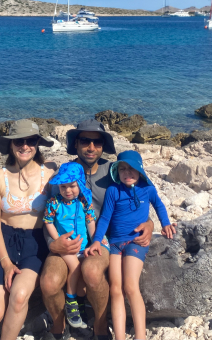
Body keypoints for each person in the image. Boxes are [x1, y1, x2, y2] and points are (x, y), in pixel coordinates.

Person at [39, 119, 156, 340]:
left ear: (103, 146)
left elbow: (136, 199)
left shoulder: (113, 172)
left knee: (92, 272)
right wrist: (52, 244)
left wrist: (149, 223)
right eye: (85, 141)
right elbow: (47, 217)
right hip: (64, 242)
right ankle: (60, 325)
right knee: (49, 281)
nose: (91, 147)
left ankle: (100, 327)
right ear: (76, 144)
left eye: (97, 142)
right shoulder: (62, 176)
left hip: (102, 240)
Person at [0, 120, 57, 340]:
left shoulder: (52, 172)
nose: (25, 146)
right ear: (10, 145)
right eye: (19, 141)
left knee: (19, 295)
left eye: (31, 141)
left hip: (35, 244)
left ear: (37, 144)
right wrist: (6, 263)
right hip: (2, 241)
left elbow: (80, 190)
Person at [85, 150, 174, 340]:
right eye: (122, 169)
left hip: (135, 241)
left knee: (131, 287)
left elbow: (159, 206)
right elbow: (105, 218)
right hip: (116, 243)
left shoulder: (148, 189)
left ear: (140, 171)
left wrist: (165, 224)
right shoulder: (113, 190)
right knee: (116, 289)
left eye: (132, 169)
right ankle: (120, 336)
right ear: (117, 172)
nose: (127, 173)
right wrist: (97, 240)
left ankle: (140, 336)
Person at [43, 162, 97, 329]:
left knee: (83, 282)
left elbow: (90, 221)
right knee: (75, 268)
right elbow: (48, 221)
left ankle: (80, 303)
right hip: (65, 247)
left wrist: (96, 239)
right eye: (63, 186)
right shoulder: (54, 202)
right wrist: (58, 240)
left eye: (72, 185)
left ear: (80, 184)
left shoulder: (84, 201)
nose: (67, 190)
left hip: (83, 246)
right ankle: (71, 301)